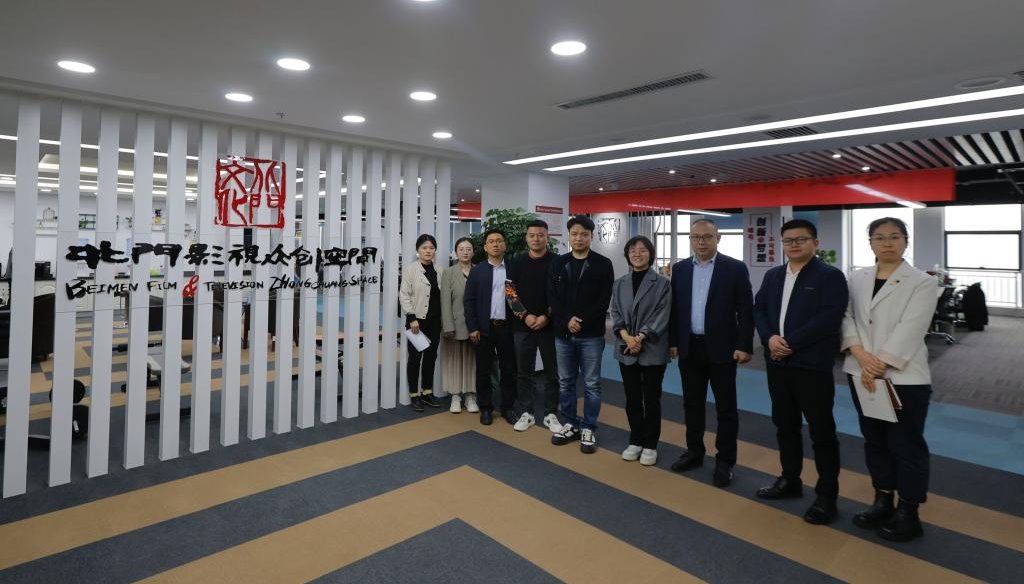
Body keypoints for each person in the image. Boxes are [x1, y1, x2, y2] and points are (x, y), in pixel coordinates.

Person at [842, 217, 936, 542]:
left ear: (906, 241)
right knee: (875, 441)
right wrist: (859, 354)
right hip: (861, 372)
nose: (887, 243)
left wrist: (878, 364)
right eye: (879, 237)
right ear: (870, 242)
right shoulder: (857, 277)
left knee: (906, 444)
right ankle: (882, 500)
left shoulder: (922, 282)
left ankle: (909, 511)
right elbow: (846, 317)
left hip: (903, 377)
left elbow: (912, 327)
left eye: (895, 237)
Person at [753, 219, 848, 525]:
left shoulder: (829, 276)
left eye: (801, 239)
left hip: (811, 366)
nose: (794, 245)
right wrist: (769, 338)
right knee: (785, 426)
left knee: (822, 432)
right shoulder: (774, 275)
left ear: (815, 243)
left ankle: (827, 495)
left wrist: (790, 343)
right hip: (777, 364)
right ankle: (790, 480)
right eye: (788, 240)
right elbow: (759, 309)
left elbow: (829, 318)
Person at [668, 218, 753, 488]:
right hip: (689, 347)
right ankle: (694, 451)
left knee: (726, 408)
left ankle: (725, 461)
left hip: (723, 349)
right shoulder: (680, 269)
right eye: (696, 237)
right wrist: (673, 341)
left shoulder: (735, 268)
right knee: (692, 404)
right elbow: (675, 309)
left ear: (718, 238)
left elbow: (746, 310)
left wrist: (744, 345)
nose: (701, 242)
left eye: (707, 237)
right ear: (690, 240)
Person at [547, 215, 614, 453]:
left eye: (584, 234)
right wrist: (567, 320)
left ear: (591, 236)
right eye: (574, 234)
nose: (578, 238)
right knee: (566, 382)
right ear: (569, 236)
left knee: (591, 384)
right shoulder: (558, 262)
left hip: (591, 335)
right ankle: (570, 423)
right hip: (563, 335)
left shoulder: (603, 264)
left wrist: (581, 321)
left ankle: (589, 427)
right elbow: (552, 296)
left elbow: (603, 300)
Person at [610, 235, 671, 466]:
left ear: (650, 254)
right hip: (626, 347)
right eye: (633, 250)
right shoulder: (619, 283)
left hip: (652, 347)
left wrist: (641, 337)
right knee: (632, 398)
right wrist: (627, 337)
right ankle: (635, 440)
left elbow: (662, 314)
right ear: (627, 254)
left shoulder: (663, 283)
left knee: (652, 398)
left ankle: (650, 444)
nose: (637, 254)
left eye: (643, 250)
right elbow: (615, 311)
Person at [507, 220, 562, 433]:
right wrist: (525, 315)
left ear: (547, 237)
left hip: (550, 326)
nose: (536, 239)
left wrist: (547, 316)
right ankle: (526, 413)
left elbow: (562, 293)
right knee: (524, 372)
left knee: (552, 372)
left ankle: (550, 413)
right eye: (532, 235)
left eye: (540, 235)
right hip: (522, 327)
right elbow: (510, 292)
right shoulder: (516, 262)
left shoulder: (557, 262)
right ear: (526, 238)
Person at [464, 229, 517, 425]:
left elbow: (515, 300)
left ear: (505, 246)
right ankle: (486, 408)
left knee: (509, 369)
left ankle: (508, 407)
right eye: (491, 241)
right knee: (483, 370)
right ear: (485, 247)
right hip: (483, 329)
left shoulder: (512, 269)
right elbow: (469, 301)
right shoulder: (478, 271)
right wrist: (473, 327)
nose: (495, 244)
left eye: (499, 241)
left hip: (506, 328)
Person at [399, 234, 443, 412]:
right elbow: (404, 295)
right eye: (424, 247)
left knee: (431, 357)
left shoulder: (440, 270)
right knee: (415, 359)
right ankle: (414, 395)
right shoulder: (411, 269)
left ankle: (427, 392)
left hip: (435, 321)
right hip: (417, 322)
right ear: (418, 250)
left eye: (431, 248)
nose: (428, 251)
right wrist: (412, 318)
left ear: (435, 250)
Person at [440, 237, 478, 414]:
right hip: (454, 325)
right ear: (456, 252)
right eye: (461, 249)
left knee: (472, 361)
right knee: (454, 362)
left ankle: (470, 396)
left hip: (475, 326)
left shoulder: (479, 271)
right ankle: (455, 396)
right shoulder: (449, 273)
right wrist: (448, 326)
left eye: (468, 249)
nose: (465, 252)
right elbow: (445, 302)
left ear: (473, 251)